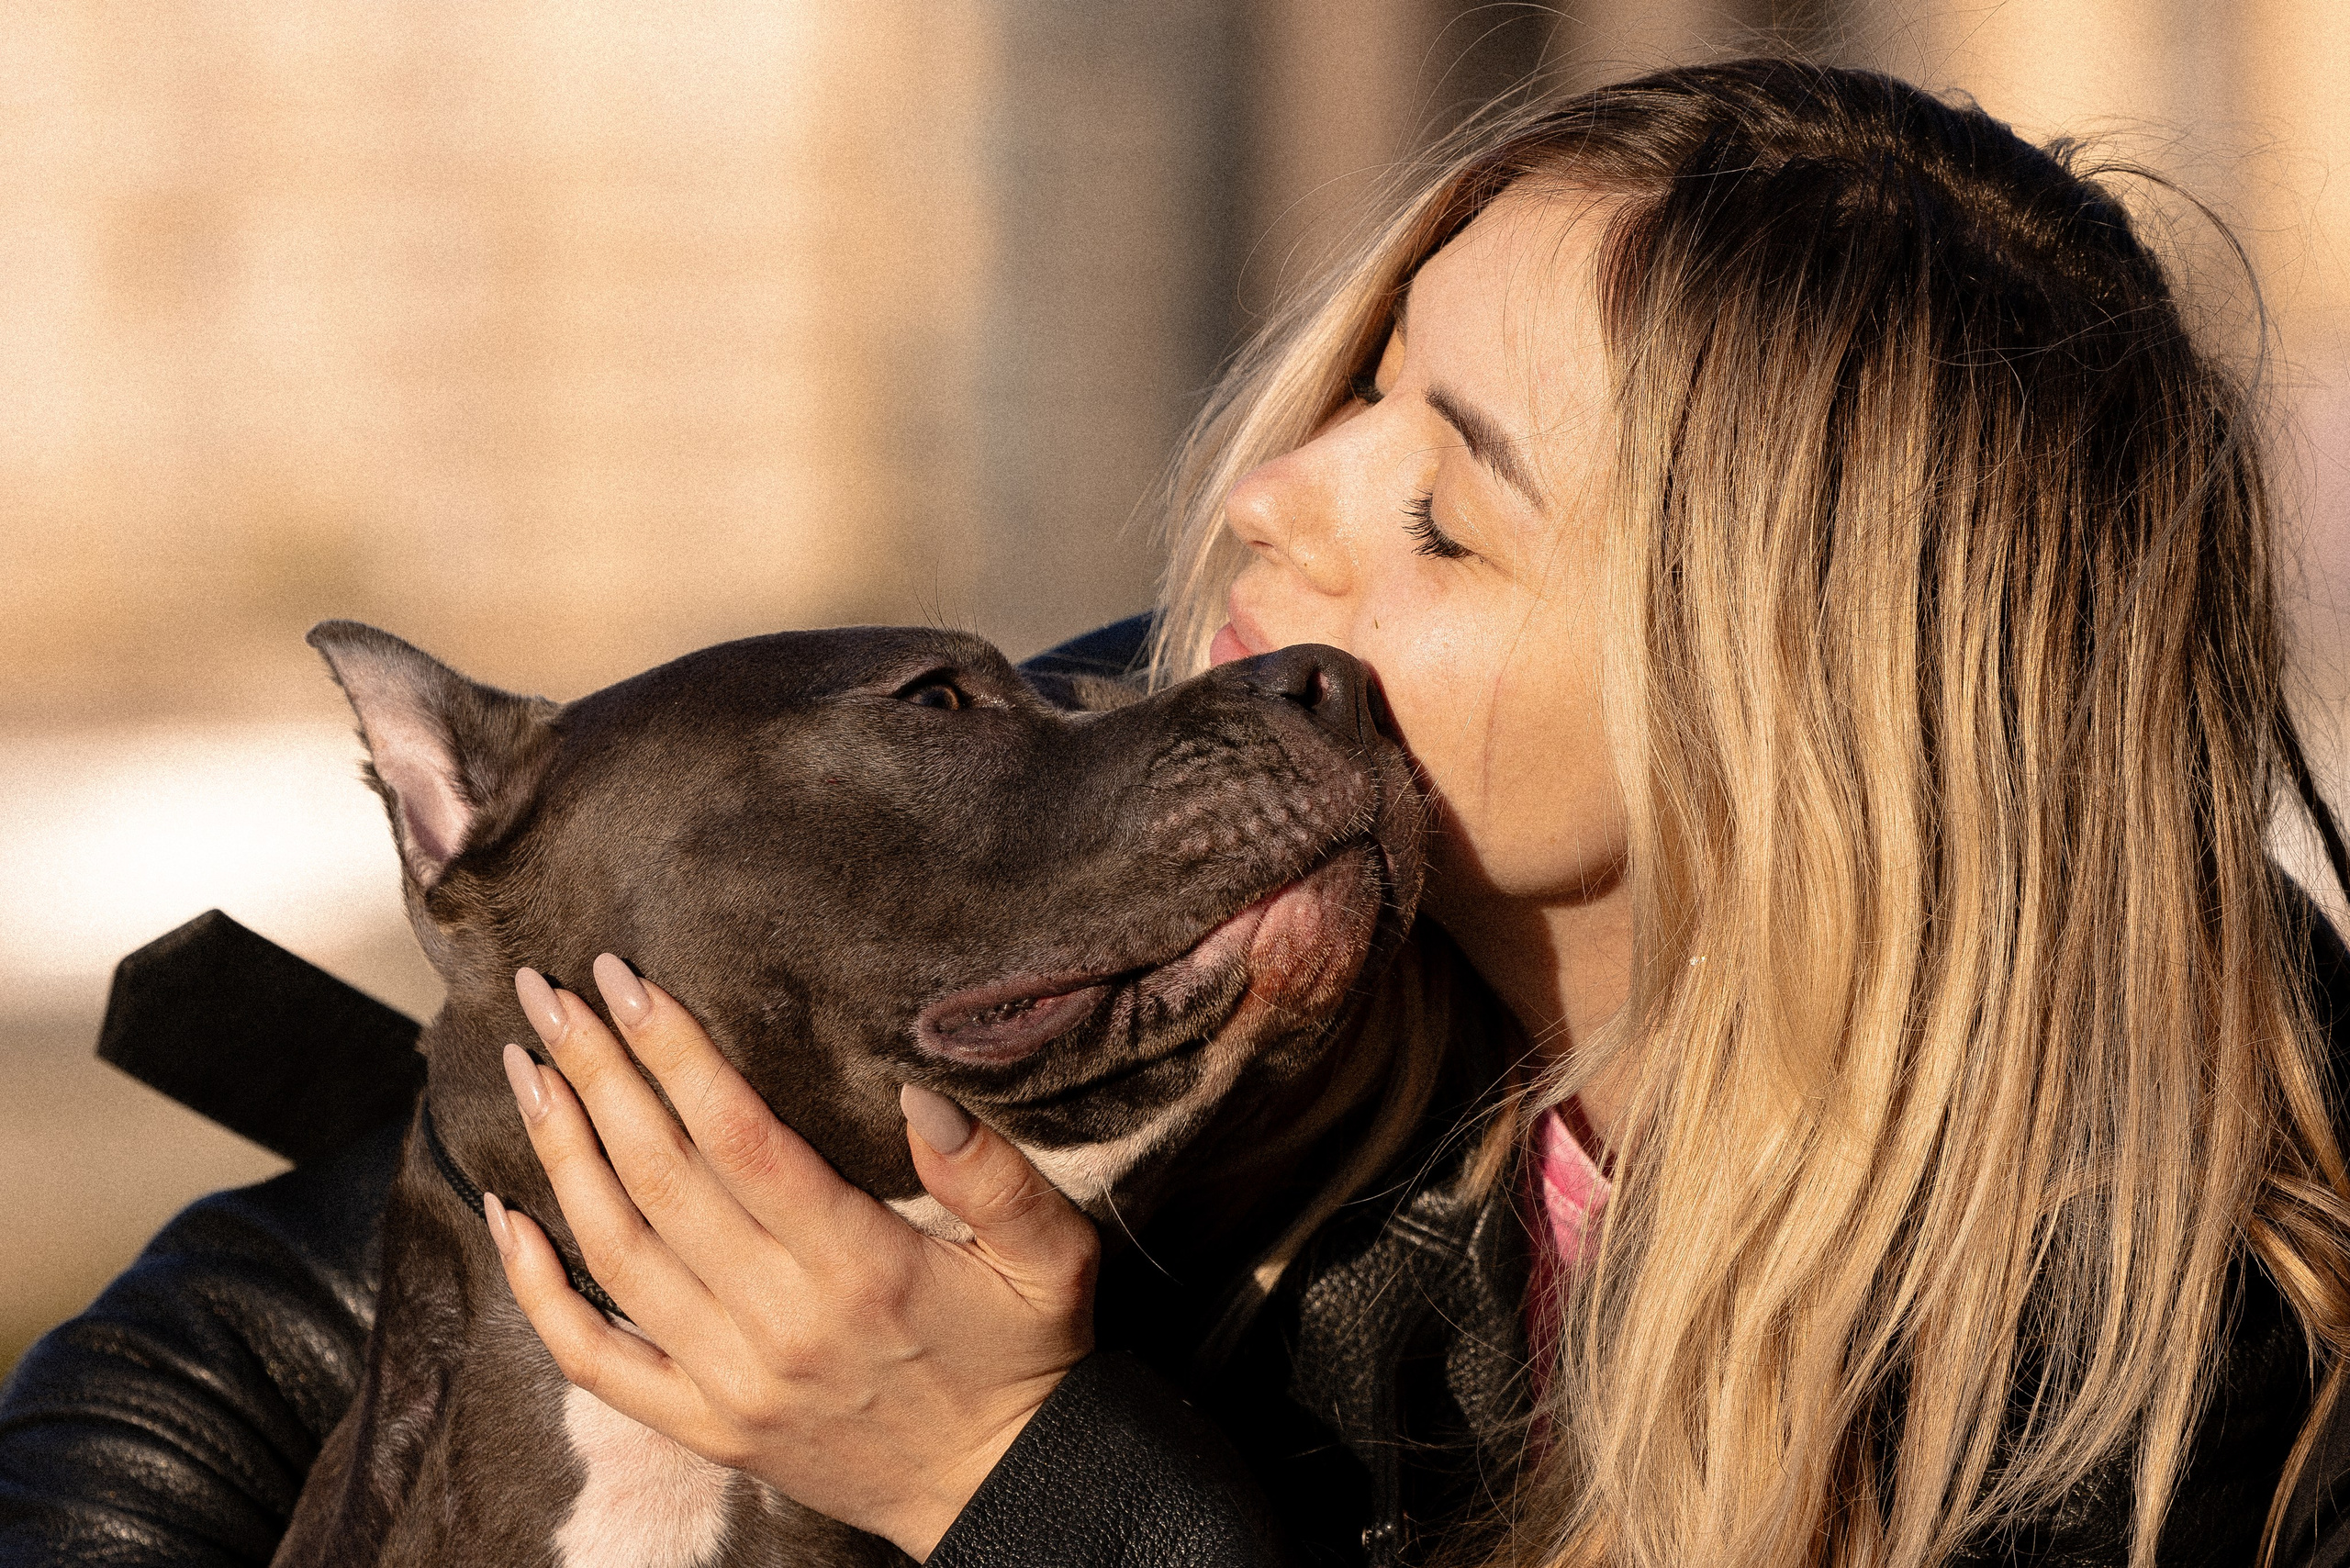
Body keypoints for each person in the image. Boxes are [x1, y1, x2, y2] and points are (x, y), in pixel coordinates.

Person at [7, 57, 2350, 1568]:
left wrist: (1010, 1477)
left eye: (1445, 521)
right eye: (1354, 393)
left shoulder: (2167, 1355)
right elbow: (275, 1324)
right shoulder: (1179, 837)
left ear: (1783, 733)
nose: (1275, 515)